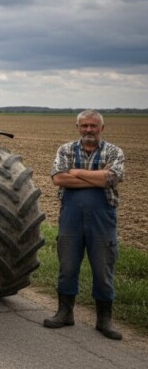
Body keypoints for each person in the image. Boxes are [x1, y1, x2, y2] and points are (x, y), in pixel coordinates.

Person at [44, 109, 125, 340]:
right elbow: (58, 178)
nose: (89, 129)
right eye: (85, 125)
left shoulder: (114, 151)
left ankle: (104, 320)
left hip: (102, 220)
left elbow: (112, 178)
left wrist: (76, 172)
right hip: (70, 218)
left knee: (103, 269)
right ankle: (64, 313)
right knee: (68, 266)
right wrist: (97, 178)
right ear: (78, 127)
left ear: (101, 128)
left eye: (93, 125)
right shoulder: (66, 149)